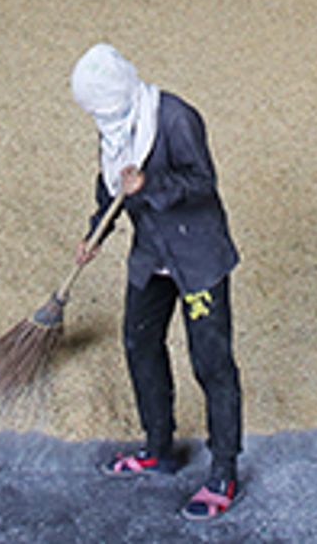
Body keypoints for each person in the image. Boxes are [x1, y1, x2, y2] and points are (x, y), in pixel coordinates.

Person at [70, 42, 243, 522]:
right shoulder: (114, 127)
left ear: (123, 93)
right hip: (151, 258)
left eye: (104, 109)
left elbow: (202, 181)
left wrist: (150, 185)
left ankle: (223, 469)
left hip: (197, 258)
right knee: (139, 343)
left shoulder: (174, 118)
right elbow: (110, 186)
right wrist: (95, 232)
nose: (101, 120)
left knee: (211, 362)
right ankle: (159, 447)